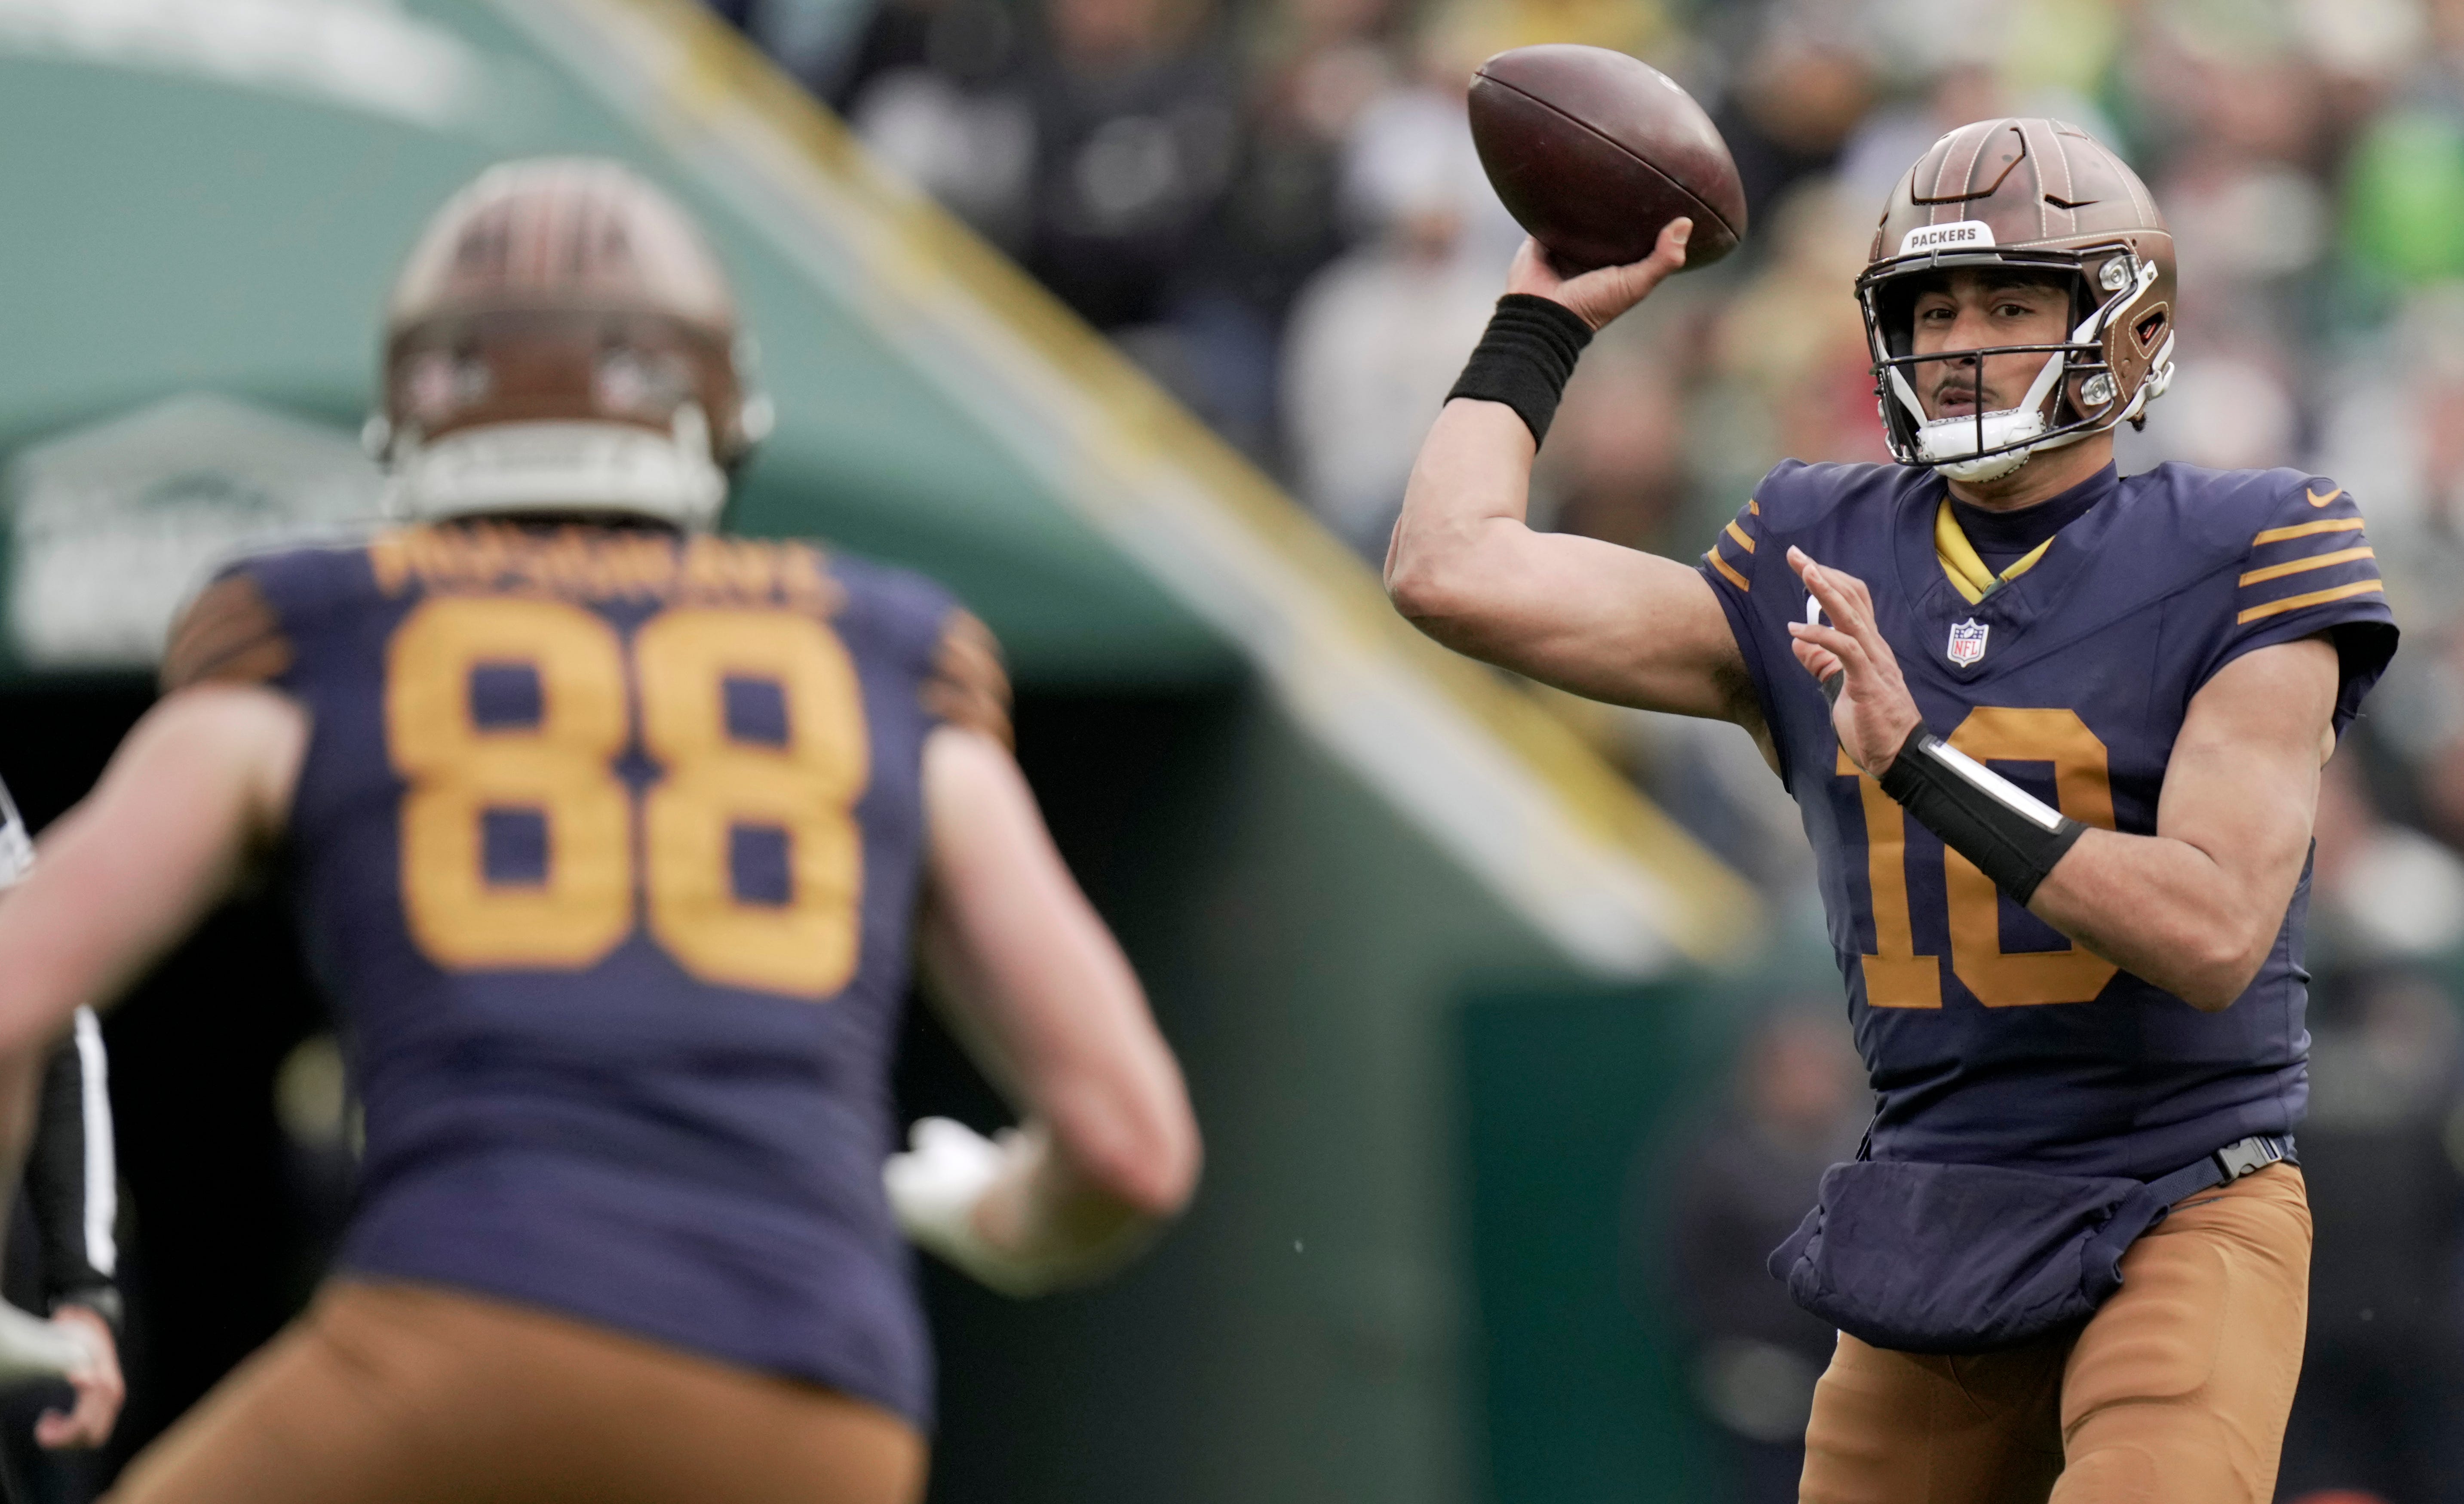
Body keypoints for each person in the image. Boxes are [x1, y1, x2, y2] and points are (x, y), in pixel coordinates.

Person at [0, 157, 1200, 1504]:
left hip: (462, 1334)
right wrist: (997, 1217)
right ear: (718, 411)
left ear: (413, 410)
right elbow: (1127, 1143)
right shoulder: (880, 652)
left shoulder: (321, 631)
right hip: (822, 1407)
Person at [1388, 117, 2396, 1502]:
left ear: (2123, 322)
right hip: (1934, 1197)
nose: (1961, 340)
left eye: (2008, 300)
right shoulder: (1819, 543)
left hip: (2179, 1186)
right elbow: (1448, 570)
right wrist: (1535, 321)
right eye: (1930, 308)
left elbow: (2217, 925)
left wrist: (1919, 758)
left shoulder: (2248, 541)